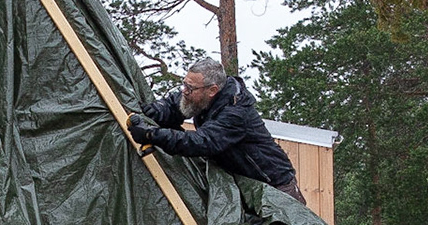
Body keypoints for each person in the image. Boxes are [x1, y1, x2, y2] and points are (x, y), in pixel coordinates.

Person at [127, 58, 306, 202]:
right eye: (184, 84)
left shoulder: (235, 112)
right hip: (236, 183)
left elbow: (202, 142)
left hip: (274, 186)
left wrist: (153, 135)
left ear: (212, 90)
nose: (185, 91)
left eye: (190, 88)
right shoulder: (202, 98)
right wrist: (155, 111)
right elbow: (174, 106)